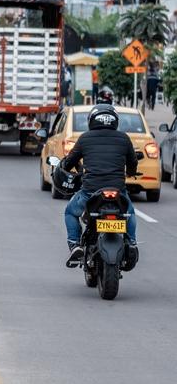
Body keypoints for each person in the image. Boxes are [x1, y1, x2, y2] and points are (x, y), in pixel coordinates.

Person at [61, 104, 138, 266]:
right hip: (118, 191)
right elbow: (132, 163)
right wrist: (130, 172)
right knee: (129, 213)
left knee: (70, 212)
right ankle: (131, 242)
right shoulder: (124, 138)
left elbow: (69, 162)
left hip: (90, 192)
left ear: (92, 120)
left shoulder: (85, 138)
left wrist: (68, 167)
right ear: (115, 121)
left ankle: (74, 244)